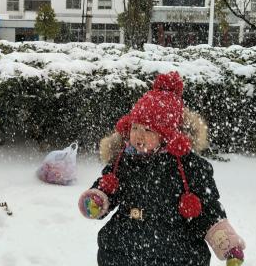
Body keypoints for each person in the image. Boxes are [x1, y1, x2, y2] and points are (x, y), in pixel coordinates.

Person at [78, 71, 245, 266]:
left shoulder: (190, 167)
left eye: (148, 130)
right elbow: (110, 187)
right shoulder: (123, 161)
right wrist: (98, 197)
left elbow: (206, 209)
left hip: (176, 252)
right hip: (123, 250)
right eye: (134, 127)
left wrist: (226, 243)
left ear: (166, 135)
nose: (138, 135)